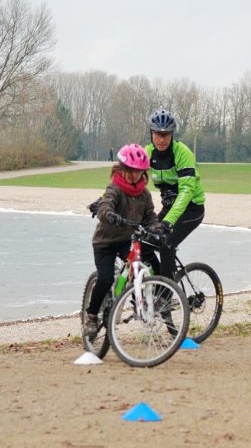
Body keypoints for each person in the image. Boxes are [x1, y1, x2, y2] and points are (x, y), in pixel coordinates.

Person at [83, 144, 161, 335]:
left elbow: (150, 217)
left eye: (139, 172)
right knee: (106, 278)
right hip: (105, 243)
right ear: (123, 169)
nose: (135, 175)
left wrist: (157, 229)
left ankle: (138, 303)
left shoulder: (144, 194)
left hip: (126, 239)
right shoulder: (115, 188)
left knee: (140, 267)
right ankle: (91, 316)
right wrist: (110, 215)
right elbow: (105, 206)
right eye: (131, 171)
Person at [145, 108, 206, 280]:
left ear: (172, 135)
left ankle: (167, 298)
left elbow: (186, 191)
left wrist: (168, 222)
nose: (161, 139)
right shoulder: (148, 153)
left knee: (166, 245)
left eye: (166, 135)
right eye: (157, 134)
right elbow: (129, 178)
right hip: (169, 209)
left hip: (192, 209)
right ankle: (160, 283)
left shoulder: (182, 153)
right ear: (151, 133)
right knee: (144, 244)